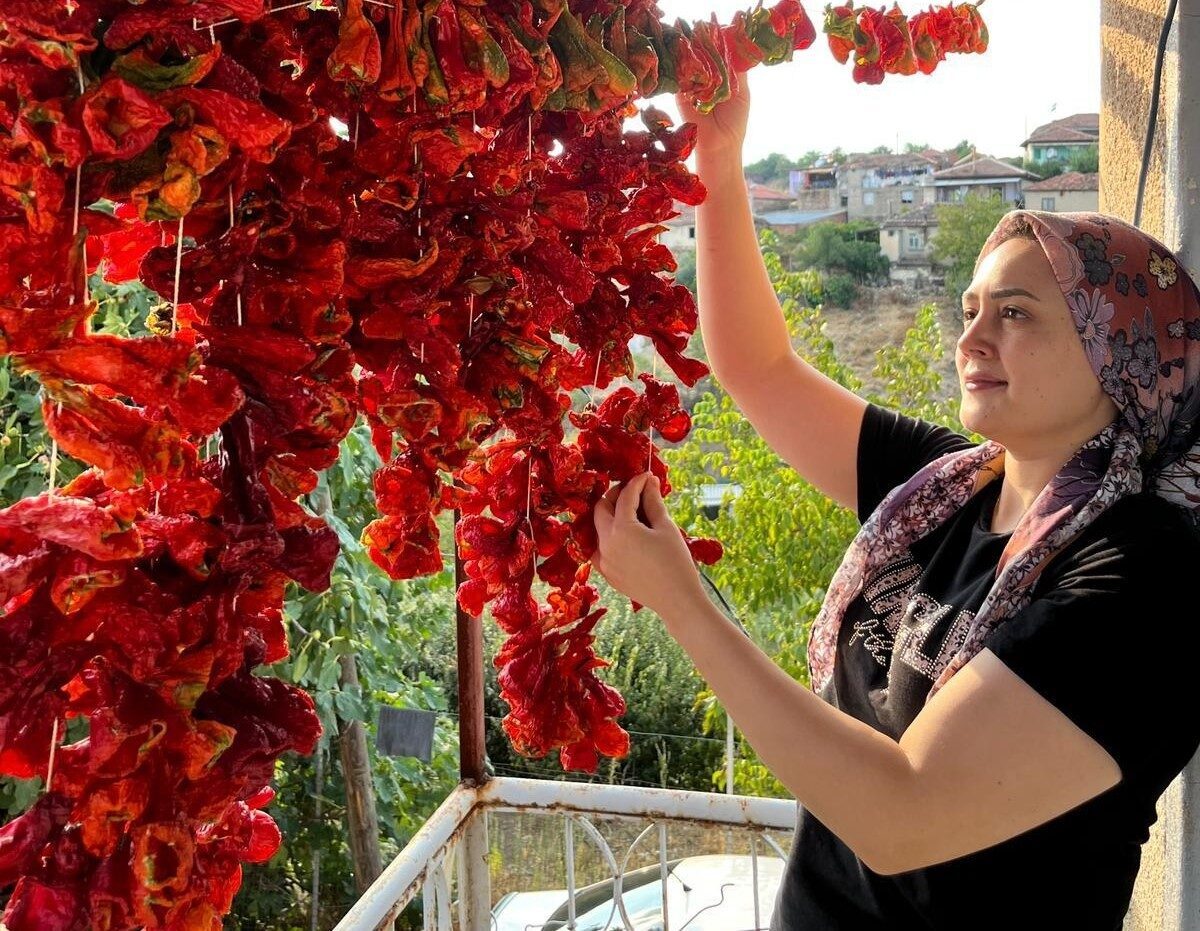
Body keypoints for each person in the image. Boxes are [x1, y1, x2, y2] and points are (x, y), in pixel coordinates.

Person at [590, 68, 1200, 930]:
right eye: (971, 307)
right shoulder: (948, 487)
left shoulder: (1146, 575)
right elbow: (759, 370)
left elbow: (903, 816)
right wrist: (720, 167)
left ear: (1121, 355)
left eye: (1016, 314)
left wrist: (684, 605)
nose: (971, 338)